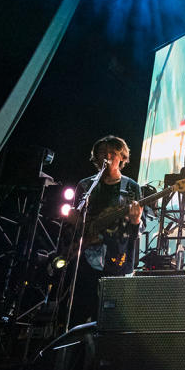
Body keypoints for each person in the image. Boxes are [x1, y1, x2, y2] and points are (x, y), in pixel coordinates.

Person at [68, 135, 144, 326]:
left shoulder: (131, 187)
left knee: (109, 317)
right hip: (84, 259)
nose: (107, 157)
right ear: (95, 157)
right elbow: (73, 225)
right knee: (78, 312)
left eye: (113, 153)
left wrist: (136, 221)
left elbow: (137, 231)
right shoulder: (85, 186)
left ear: (122, 158)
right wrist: (75, 223)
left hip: (116, 259)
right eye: (102, 153)